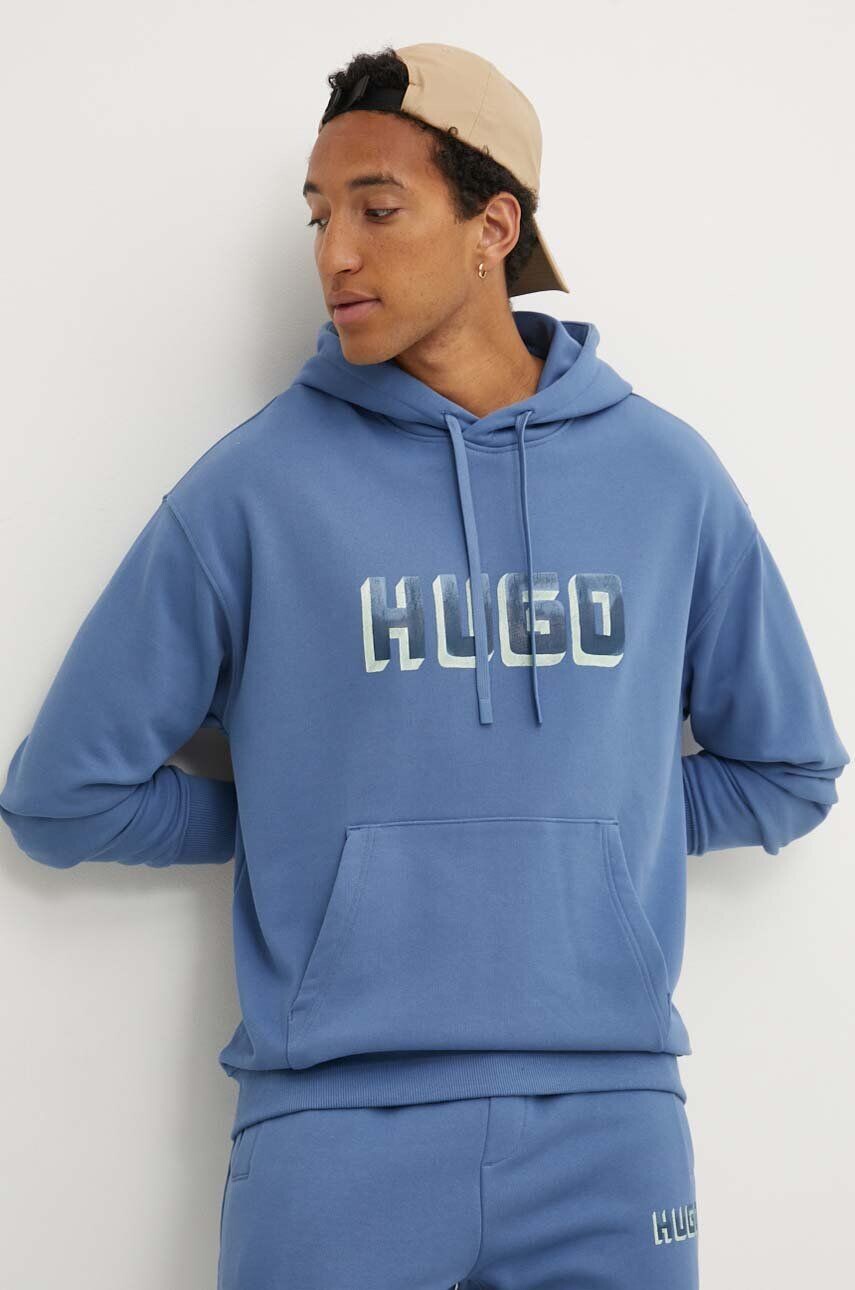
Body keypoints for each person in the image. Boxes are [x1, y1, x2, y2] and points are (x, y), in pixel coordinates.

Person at [0, 41, 848, 1290]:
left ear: (492, 226)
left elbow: (791, 770)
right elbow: (61, 798)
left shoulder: (665, 479)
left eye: (378, 209)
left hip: (609, 1134)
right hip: (331, 1137)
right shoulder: (254, 491)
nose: (335, 253)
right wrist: (304, 819)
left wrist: (593, 822)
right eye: (319, 215)